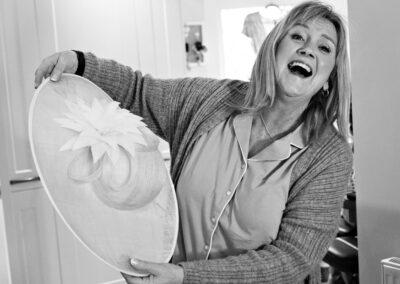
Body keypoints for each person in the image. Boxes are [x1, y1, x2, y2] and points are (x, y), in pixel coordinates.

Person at [34, 1, 353, 283]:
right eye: (297, 36)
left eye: (324, 48)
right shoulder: (208, 100)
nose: (308, 49)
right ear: (274, 46)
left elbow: (292, 259)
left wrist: (185, 277)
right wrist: (80, 63)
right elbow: (138, 91)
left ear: (330, 76)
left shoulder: (329, 156)